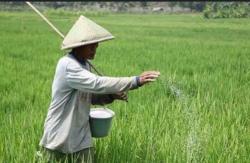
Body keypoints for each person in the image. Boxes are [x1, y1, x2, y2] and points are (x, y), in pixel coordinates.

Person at [39, 15, 160, 163]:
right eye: (91, 45)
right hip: (60, 134)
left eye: (96, 45)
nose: (95, 48)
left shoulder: (85, 65)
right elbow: (97, 83)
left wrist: (111, 96)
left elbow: (88, 95)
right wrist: (135, 81)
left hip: (81, 135)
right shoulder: (67, 65)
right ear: (79, 45)